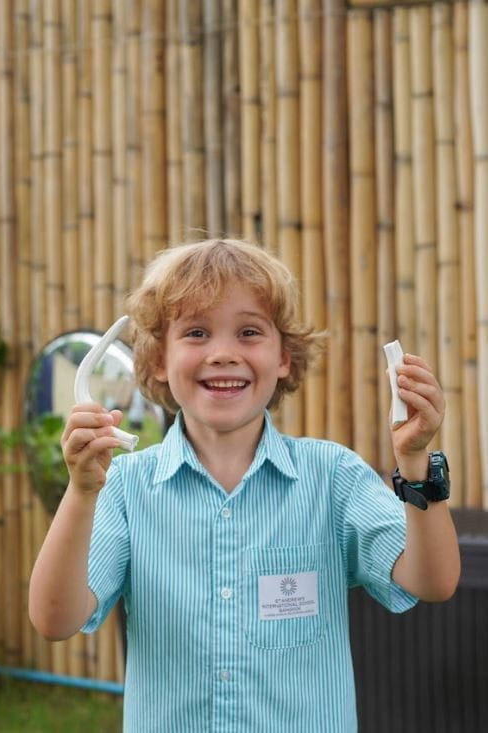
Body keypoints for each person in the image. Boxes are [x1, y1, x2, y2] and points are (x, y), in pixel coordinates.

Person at [29, 239, 460, 732]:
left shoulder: (332, 477)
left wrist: (415, 462)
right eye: (196, 332)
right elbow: (54, 620)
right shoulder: (125, 487)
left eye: (249, 332)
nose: (223, 353)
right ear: (157, 362)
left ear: (284, 357)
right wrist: (82, 493)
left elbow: (433, 581)